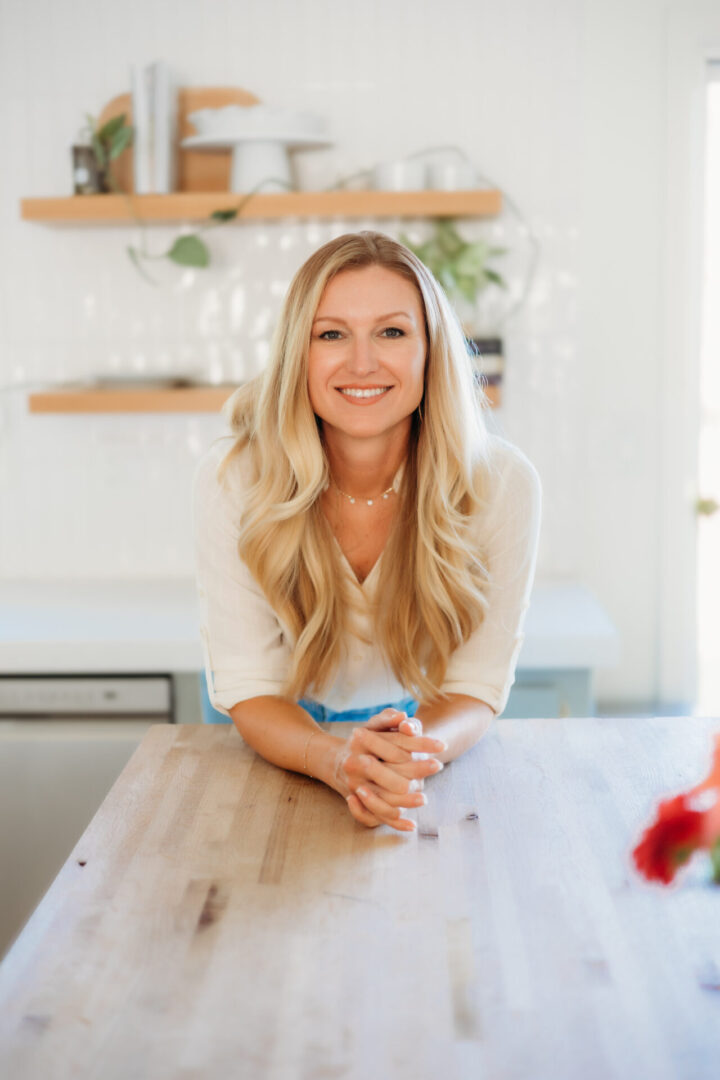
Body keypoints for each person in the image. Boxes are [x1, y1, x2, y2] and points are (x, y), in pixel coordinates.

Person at [192, 230, 541, 833]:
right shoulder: (234, 479)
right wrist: (335, 759)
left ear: (430, 350)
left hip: (425, 735)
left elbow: (476, 687)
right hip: (276, 735)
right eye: (331, 334)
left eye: (392, 332)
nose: (361, 363)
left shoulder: (503, 483)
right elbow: (250, 688)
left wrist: (404, 752)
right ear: (297, 353)